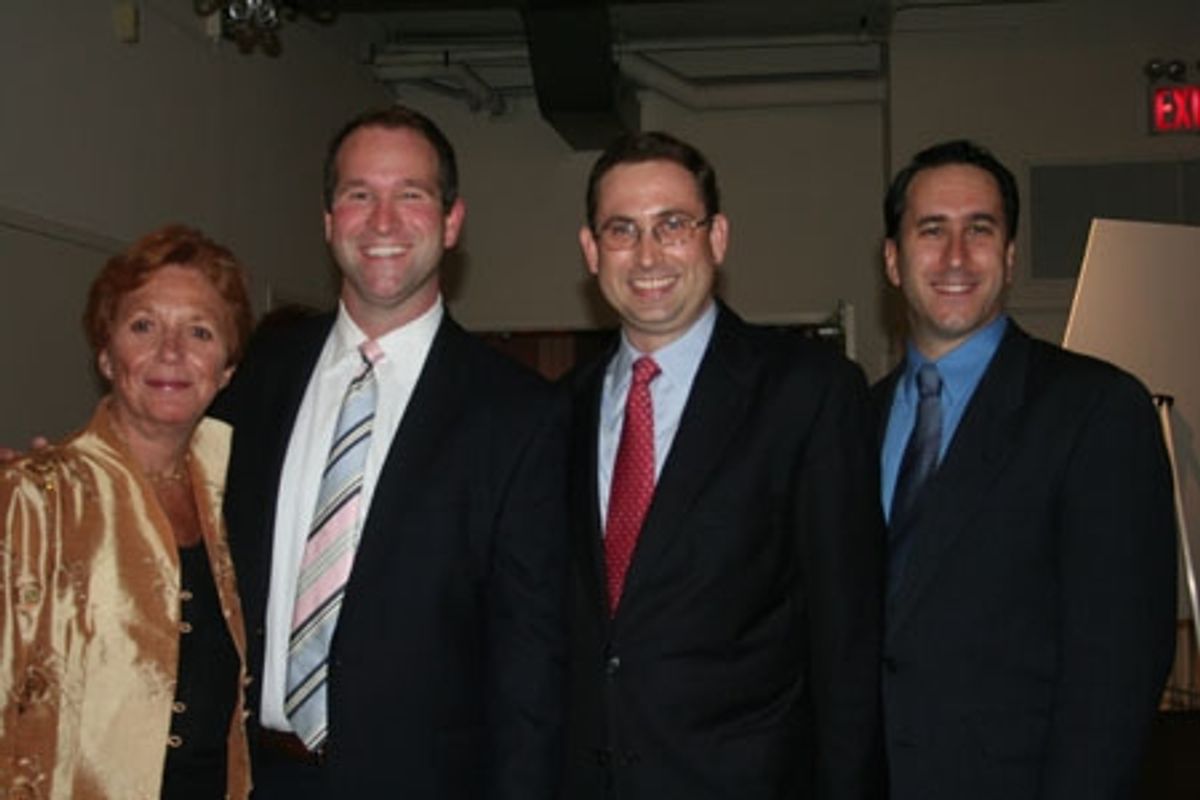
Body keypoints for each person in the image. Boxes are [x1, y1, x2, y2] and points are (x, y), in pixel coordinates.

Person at [214, 105, 568, 797]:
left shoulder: (522, 414)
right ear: (327, 222)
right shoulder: (257, 374)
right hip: (249, 778)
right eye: (358, 195)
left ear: (452, 221)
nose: (382, 222)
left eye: (410, 194)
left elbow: (533, 664)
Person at [561, 131, 885, 799]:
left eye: (673, 225)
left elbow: (846, 635)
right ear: (592, 251)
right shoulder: (555, 410)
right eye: (622, 229)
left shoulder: (807, 392)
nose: (648, 254)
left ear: (717, 237)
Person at [876, 139, 1177, 799]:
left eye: (979, 231)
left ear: (1009, 259)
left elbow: (1118, 669)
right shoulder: (849, 423)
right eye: (932, 231)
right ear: (894, 261)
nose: (956, 256)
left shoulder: (1095, 410)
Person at [0, 225, 255, 798]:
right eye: (144, 326)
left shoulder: (236, 503)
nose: (171, 351)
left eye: (200, 331)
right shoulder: (33, 500)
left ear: (228, 369)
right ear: (107, 356)